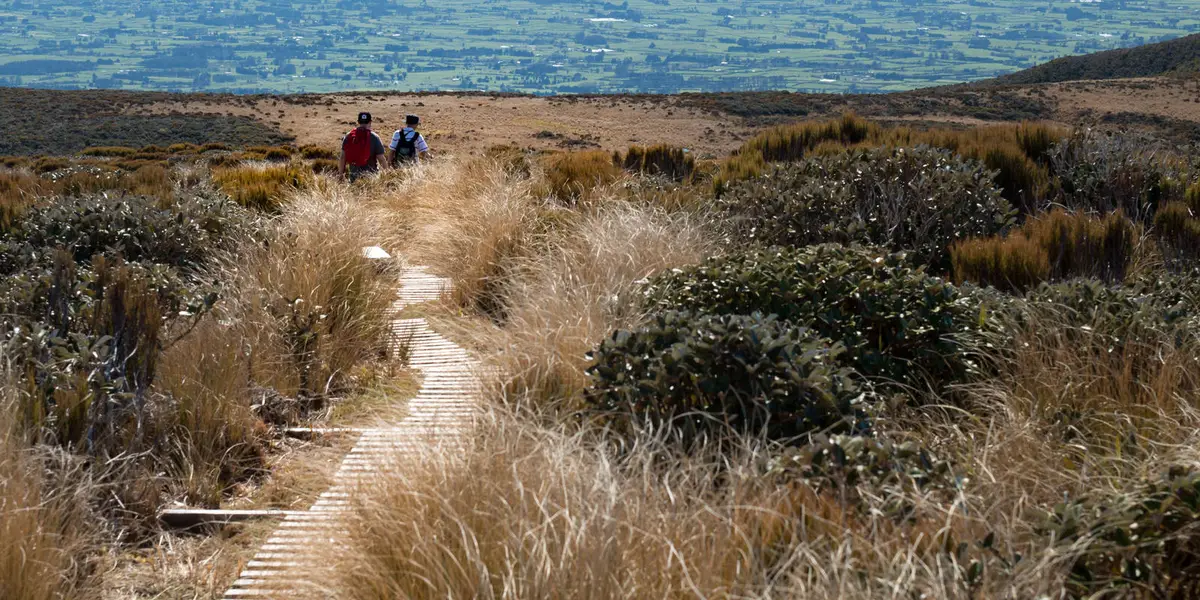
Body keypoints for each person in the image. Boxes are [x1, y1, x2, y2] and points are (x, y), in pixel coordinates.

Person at [340, 111, 387, 182]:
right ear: (370, 122)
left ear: (358, 122)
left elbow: (342, 157)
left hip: (354, 177)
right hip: (371, 178)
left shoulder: (349, 136)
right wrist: (387, 175)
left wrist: (341, 174)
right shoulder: (374, 137)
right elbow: (381, 159)